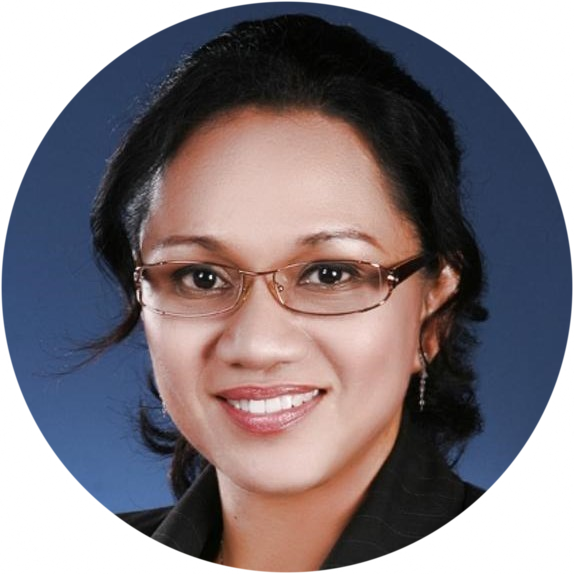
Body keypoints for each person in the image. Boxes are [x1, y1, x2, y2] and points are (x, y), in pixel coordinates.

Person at [3, 13, 573, 574]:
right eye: (201, 277)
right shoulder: (57, 565)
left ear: (433, 307)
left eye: (329, 275)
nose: (257, 344)